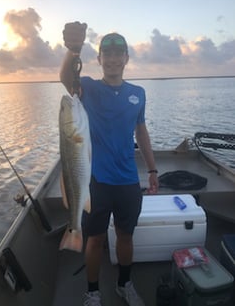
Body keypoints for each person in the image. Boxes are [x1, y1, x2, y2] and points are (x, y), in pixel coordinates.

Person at [60, 21, 158, 306]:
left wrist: (152, 169)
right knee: (95, 240)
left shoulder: (138, 93)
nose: (113, 58)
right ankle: (93, 292)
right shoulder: (88, 88)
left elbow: (141, 132)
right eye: (107, 53)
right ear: (100, 58)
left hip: (128, 181)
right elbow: (66, 75)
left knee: (126, 238)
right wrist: (72, 49)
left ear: (126, 58)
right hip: (97, 181)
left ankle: (124, 284)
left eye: (119, 53)